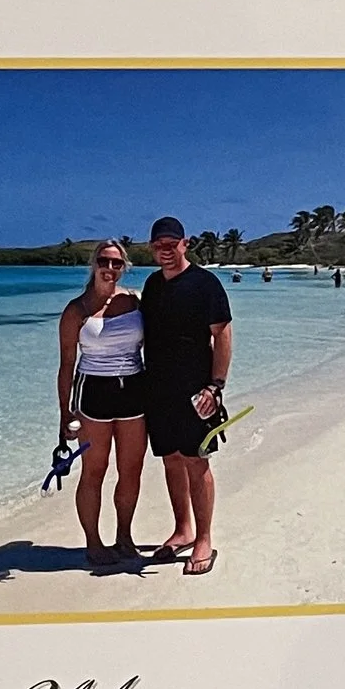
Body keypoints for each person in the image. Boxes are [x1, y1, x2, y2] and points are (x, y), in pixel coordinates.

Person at [141, 214, 232, 577]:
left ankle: (204, 539)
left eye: (171, 244)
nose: (165, 250)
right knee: (171, 460)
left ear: (185, 244)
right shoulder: (152, 285)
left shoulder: (205, 284)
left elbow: (222, 335)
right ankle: (183, 529)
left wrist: (216, 386)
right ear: (152, 248)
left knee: (197, 461)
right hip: (157, 390)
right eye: (158, 245)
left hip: (197, 390)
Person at [55, 240, 148, 572]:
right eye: (104, 262)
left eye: (117, 263)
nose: (110, 269)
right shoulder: (76, 310)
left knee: (131, 469)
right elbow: (67, 365)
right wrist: (64, 413)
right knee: (94, 470)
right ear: (93, 264)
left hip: (134, 389)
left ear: (125, 267)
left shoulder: (136, 301)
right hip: (93, 393)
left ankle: (124, 537)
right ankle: (93, 542)